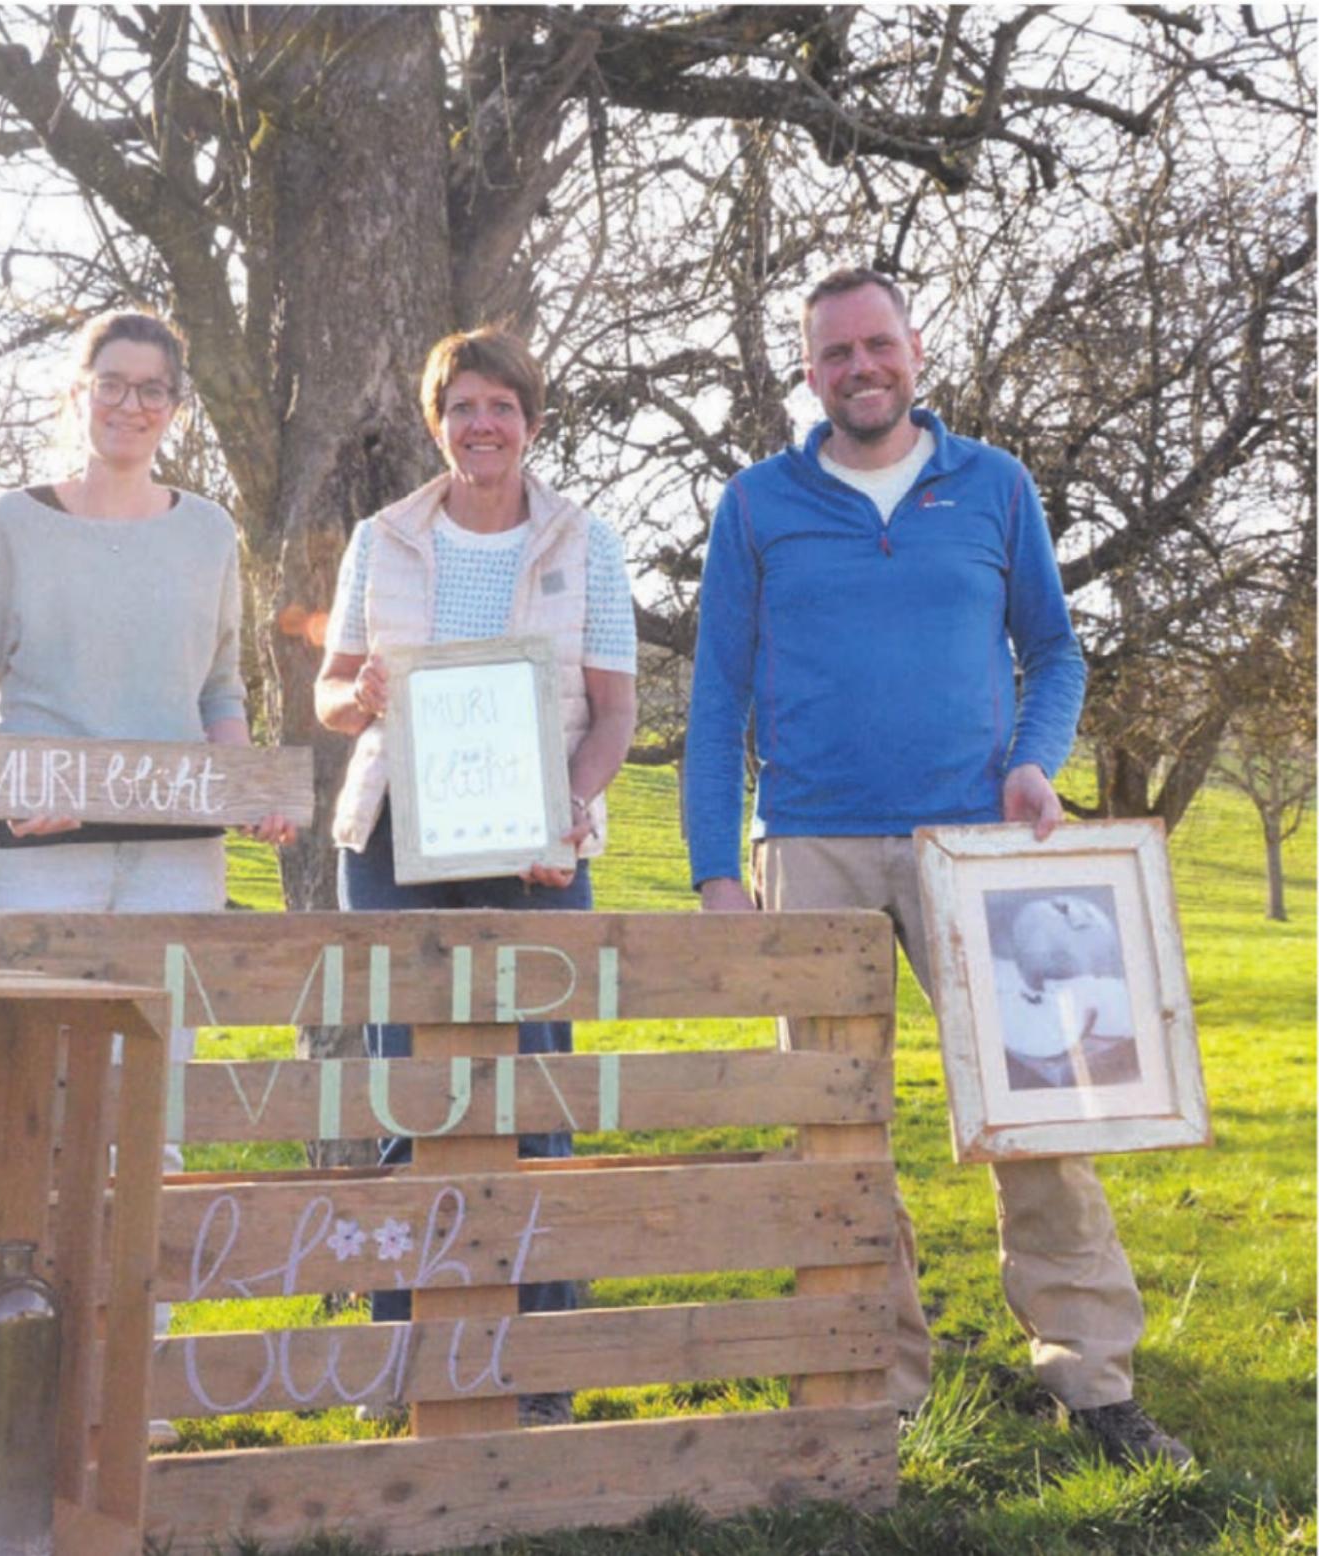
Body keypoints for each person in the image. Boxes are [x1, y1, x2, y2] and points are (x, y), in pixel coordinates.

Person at [683, 267, 1191, 1467]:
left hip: (978, 849)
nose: (859, 368)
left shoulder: (995, 486)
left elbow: (1053, 651)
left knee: (1041, 1114)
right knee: (837, 1127)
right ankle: (876, 1374)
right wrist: (716, 868)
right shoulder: (756, 504)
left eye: (878, 345)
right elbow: (716, 698)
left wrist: (1033, 763)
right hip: (808, 842)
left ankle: (1092, 1377)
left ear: (915, 350)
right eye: (833, 354)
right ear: (806, 373)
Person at [0, 308, 292, 1445]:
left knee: (155, 1121)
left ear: (175, 409)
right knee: (34, 1120)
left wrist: (249, 787)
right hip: (43, 870)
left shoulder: (211, 533)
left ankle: (132, 1387)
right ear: (76, 392)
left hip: (178, 865)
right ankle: (19, 1379)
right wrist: (1, 786)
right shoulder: (14, 526)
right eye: (113, 382)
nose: (132, 404)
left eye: (154, 389)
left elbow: (221, 689)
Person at [316, 326, 638, 1428]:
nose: (482, 425)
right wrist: (351, 698)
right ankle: (405, 1364)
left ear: (533, 423)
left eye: (502, 405)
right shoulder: (381, 537)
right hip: (395, 843)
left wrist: (568, 813)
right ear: (435, 421)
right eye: (462, 406)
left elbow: (616, 710)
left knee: (534, 1100)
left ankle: (537, 1367)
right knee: (412, 1093)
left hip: (533, 848)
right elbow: (328, 688)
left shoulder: (585, 541)